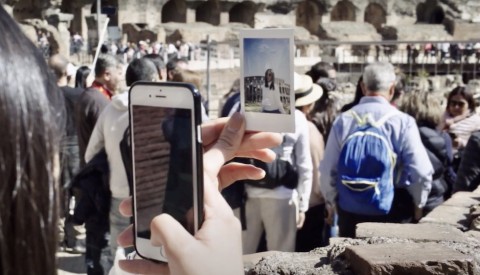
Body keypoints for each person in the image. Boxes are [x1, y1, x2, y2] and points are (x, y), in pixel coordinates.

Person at [320, 62, 433, 238]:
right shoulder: (403, 122)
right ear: (392, 88)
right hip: (392, 207)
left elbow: (328, 169)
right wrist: (418, 204)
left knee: (349, 262)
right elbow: (421, 171)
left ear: (363, 87)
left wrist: (332, 202)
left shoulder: (343, 120)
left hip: (350, 207)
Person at [85, 58, 160, 272]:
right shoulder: (160, 108)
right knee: (153, 257)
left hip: (119, 194)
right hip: (154, 197)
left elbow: (90, 154)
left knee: (121, 256)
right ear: (153, 79)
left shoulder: (110, 109)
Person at [240, 72, 313, 254]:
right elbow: (304, 165)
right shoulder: (298, 118)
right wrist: (303, 204)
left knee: (241, 256)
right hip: (282, 196)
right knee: (281, 256)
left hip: (249, 191)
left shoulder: (250, 113)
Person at [48, 54, 86, 254]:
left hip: (52, 146)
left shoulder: (43, 94)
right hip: (74, 146)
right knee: (77, 193)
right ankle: (76, 237)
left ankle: (59, 235)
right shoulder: (79, 95)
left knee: (58, 193)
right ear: (67, 72)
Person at [399, 91, 455, 215]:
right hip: (434, 199)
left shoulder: (401, 135)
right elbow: (448, 169)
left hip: (403, 199)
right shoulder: (443, 137)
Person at [292, 73, 327, 251]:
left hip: (288, 199)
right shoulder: (310, 129)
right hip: (310, 204)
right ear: (308, 104)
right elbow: (317, 168)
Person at [75, 55, 124, 166]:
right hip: (97, 169)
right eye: (119, 74)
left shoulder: (91, 94)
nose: (122, 78)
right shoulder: (99, 100)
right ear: (106, 75)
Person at [440, 86, 480, 152]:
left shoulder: (476, 121)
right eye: (453, 103)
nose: (456, 107)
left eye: (461, 104)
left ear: (469, 105)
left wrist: (461, 143)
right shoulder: (440, 117)